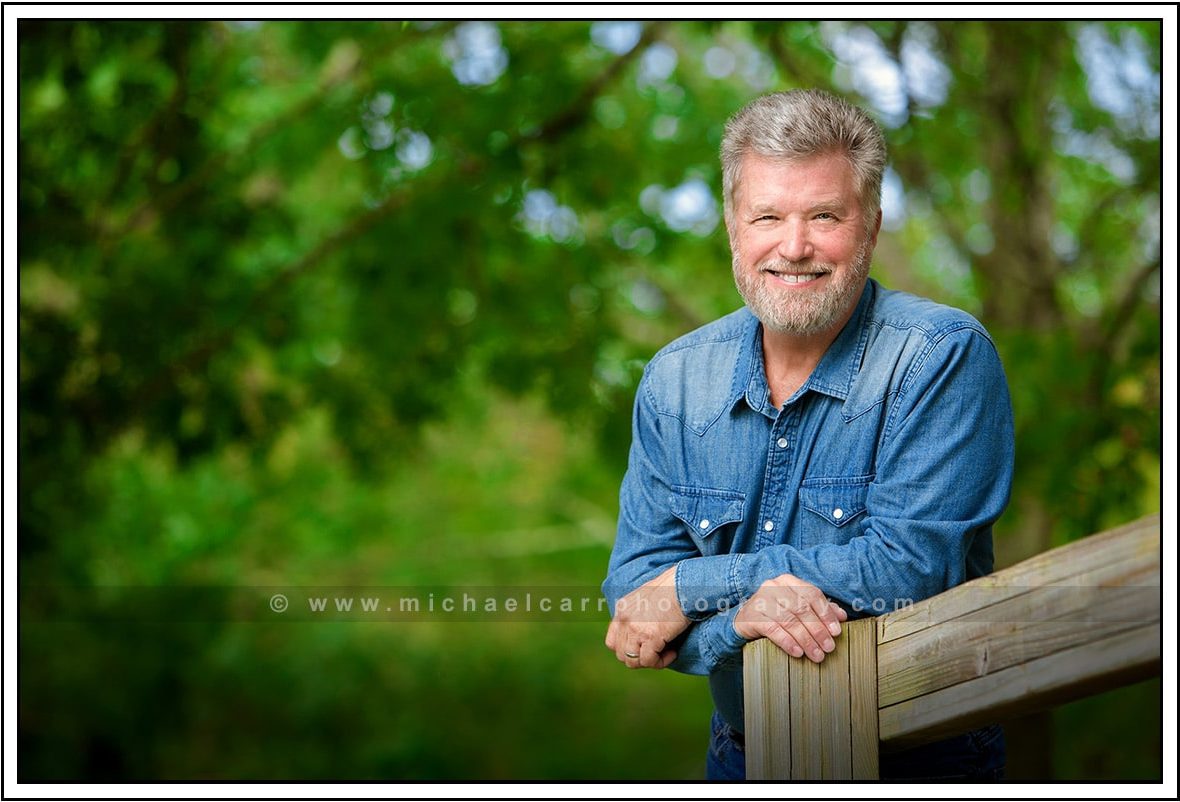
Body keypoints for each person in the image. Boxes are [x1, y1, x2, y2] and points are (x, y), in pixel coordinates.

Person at [602, 89, 1013, 781]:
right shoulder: (675, 381)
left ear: (872, 226)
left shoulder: (940, 356)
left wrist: (696, 589)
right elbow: (636, 590)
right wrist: (738, 620)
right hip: (743, 751)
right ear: (734, 228)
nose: (794, 247)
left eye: (825, 215)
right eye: (768, 216)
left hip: (920, 758)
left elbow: (907, 572)